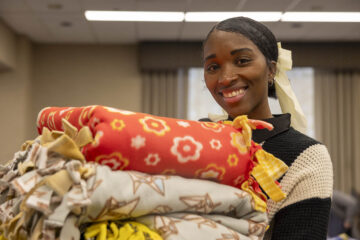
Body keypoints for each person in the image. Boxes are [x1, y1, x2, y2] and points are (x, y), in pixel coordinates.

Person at [200, 17, 333, 239]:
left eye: (242, 61)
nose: (225, 78)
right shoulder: (196, 137)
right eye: (213, 67)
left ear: (271, 70)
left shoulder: (306, 156)